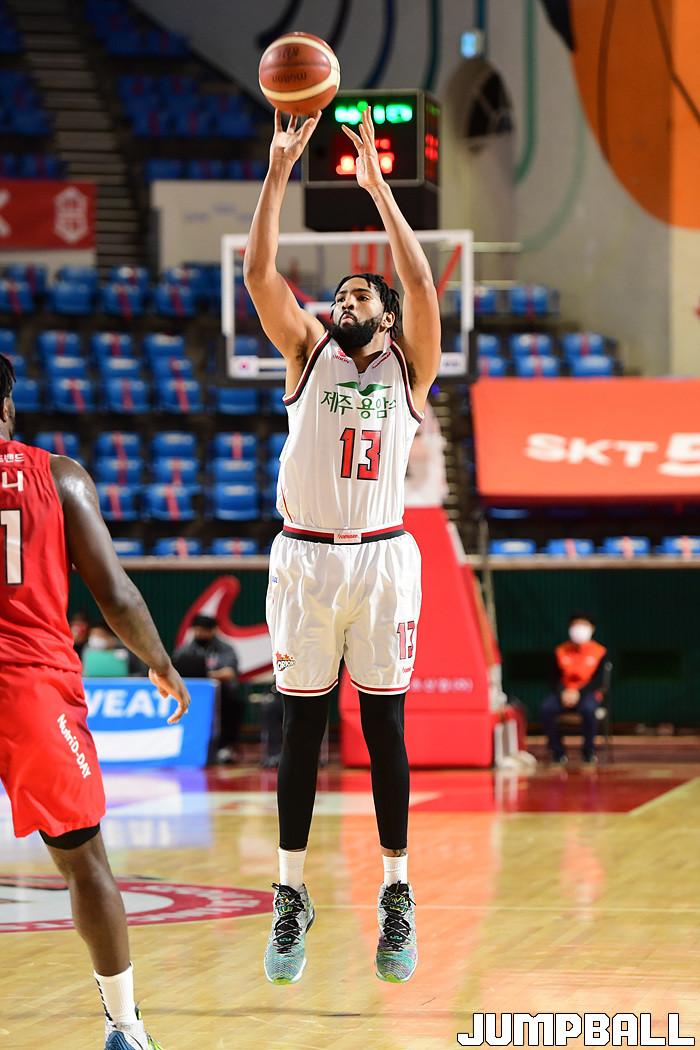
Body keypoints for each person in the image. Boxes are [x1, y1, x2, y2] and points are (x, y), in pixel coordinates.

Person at [244, 105, 441, 985]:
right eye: (341, 296)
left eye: (361, 295)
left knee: (385, 726)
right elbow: (259, 275)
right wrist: (279, 169)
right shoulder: (306, 351)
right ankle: (291, 894)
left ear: (388, 319)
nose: (344, 301)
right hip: (305, 557)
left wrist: (379, 193)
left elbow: (421, 282)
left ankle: (397, 893)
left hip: (384, 557)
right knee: (301, 728)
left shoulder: (410, 365)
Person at [0, 355, 190, 1050]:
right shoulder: (59, 476)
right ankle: (125, 1027)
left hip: (30, 684)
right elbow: (115, 593)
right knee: (85, 863)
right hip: (32, 689)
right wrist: (161, 664)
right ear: (8, 407)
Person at [172, 613, 244, 762]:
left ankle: (226, 747)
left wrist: (206, 675)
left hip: (222, 693)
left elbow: (229, 672)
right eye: (197, 630)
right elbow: (176, 671)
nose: (200, 633)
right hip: (194, 694)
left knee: (233, 704)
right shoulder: (185, 650)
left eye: (204, 630)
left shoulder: (225, 648)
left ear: (213, 630)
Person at [540, 612, 607, 766]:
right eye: (576, 625)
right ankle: (558, 752)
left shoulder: (599, 652)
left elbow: (600, 681)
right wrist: (563, 692)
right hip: (563, 693)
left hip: (587, 693)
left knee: (589, 710)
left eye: (583, 625)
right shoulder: (561, 650)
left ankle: (588, 752)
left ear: (592, 628)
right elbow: (552, 678)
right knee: (546, 709)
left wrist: (579, 693)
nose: (579, 629)